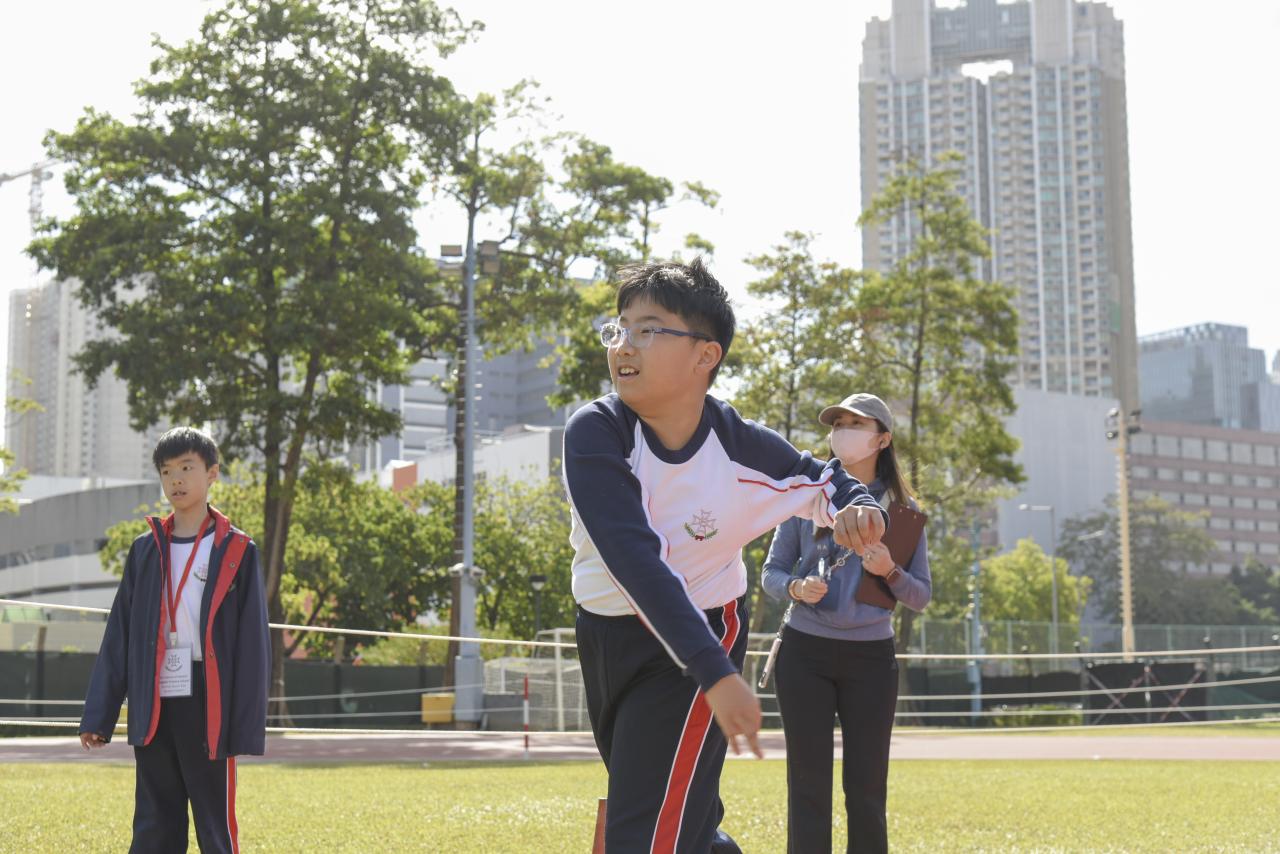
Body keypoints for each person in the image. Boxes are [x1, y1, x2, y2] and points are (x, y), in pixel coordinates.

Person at [563, 259, 889, 854]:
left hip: (698, 640)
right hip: (605, 634)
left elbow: (824, 479)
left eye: (647, 329)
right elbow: (632, 557)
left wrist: (861, 507)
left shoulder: (739, 446)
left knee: (644, 831)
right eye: (619, 328)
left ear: (705, 355)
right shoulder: (595, 432)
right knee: (670, 811)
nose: (623, 346)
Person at [79, 426, 270, 854]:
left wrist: (245, 722)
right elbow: (120, 634)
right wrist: (99, 714)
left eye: (186, 468)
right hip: (154, 694)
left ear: (212, 473)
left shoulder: (238, 550)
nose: (176, 480)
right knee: (154, 819)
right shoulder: (145, 550)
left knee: (213, 822)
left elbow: (253, 644)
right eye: (167, 471)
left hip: (208, 697)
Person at [762, 393, 931, 854]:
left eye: (856, 424)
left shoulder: (903, 510)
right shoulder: (806, 497)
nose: (843, 432)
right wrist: (796, 587)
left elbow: (920, 596)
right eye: (838, 424)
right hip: (805, 653)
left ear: (883, 440)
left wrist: (890, 572)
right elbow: (771, 573)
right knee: (807, 785)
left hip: (872, 659)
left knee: (867, 789)